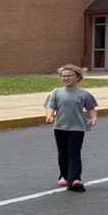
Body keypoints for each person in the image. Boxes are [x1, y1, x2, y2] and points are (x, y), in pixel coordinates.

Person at [44, 63, 97, 192]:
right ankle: (64, 175)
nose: (66, 78)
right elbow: (51, 107)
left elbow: (91, 108)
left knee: (74, 153)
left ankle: (75, 180)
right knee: (63, 153)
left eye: (69, 76)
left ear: (78, 77)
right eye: (63, 76)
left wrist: (93, 118)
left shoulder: (84, 94)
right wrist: (49, 116)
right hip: (60, 127)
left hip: (77, 128)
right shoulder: (56, 92)